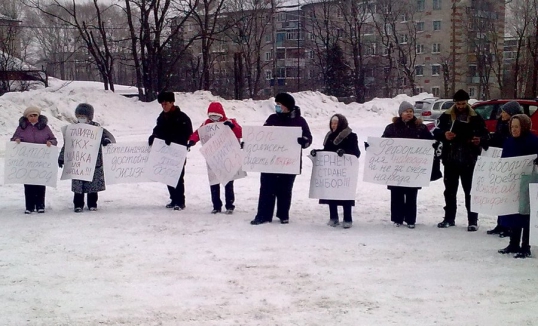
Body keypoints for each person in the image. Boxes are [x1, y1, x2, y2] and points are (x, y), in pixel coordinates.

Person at [250, 92, 313, 225]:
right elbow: (261, 136)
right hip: (270, 162)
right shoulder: (272, 118)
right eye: (276, 104)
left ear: (287, 106)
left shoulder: (299, 121)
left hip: (289, 162)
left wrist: (304, 141)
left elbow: (308, 138)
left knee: (285, 189)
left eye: (279, 104)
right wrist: (250, 144)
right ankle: (263, 215)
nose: (277, 107)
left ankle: (283, 214)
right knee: (267, 189)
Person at [433, 89, 489, 231]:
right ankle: (449, 218)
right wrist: (445, 134)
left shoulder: (476, 117)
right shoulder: (446, 116)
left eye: (463, 103)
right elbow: (436, 131)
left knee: (470, 191)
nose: (460, 106)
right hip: (450, 159)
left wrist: (479, 140)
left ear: (467, 102)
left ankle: (472, 220)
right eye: (458, 104)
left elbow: (485, 134)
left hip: (468, 159)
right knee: (450, 191)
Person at [382, 101, 434, 228]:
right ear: (400, 114)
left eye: (411, 111)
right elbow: (382, 143)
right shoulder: (391, 127)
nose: (409, 114)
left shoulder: (420, 127)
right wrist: (372, 147)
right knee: (396, 193)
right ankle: (397, 218)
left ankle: (411, 219)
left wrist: (433, 145)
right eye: (406, 111)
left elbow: (429, 142)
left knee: (411, 194)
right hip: (396, 167)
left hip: (413, 167)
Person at [58, 103, 115, 212]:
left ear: (90, 116)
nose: (81, 118)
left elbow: (106, 137)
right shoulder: (73, 129)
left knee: (93, 186)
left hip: (93, 162)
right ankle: (78, 204)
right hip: (78, 161)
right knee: (78, 186)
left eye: (84, 116)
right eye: (79, 115)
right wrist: (62, 157)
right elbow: (68, 144)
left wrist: (106, 140)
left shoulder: (97, 128)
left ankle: (92, 203)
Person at [188, 102, 242, 214]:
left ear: (221, 114)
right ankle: (216, 206)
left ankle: (230, 205)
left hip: (227, 157)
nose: (214, 118)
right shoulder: (206, 124)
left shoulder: (229, 122)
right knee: (214, 183)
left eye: (216, 116)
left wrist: (232, 127)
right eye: (212, 116)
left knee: (228, 183)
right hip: (213, 159)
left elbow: (240, 133)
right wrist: (192, 140)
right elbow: (198, 133)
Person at [497, 114, 538, 258]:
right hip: (512, 184)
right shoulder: (509, 142)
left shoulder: (533, 141)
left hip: (528, 183)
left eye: (517, 127)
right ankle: (513, 243)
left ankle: (525, 246)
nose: (514, 130)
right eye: (512, 127)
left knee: (525, 214)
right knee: (513, 212)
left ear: (524, 127)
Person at [310, 114, 360, 228]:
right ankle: (333, 217)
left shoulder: (351, 136)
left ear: (342, 123)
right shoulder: (330, 136)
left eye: (336, 123)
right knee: (331, 193)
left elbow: (356, 153)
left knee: (345, 195)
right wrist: (316, 152)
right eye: (332, 123)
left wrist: (344, 151)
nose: (333, 125)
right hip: (332, 172)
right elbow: (326, 151)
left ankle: (348, 218)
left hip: (345, 172)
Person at [148, 91, 193, 210]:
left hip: (178, 152)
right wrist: (154, 136)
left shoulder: (182, 117)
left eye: (166, 103)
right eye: (162, 104)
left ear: (172, 103)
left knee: (178, 177)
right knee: (168, 176)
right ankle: (173, 199)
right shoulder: (161, 117)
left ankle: (180, 201)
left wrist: (173, 139)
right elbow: (158, 129)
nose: (164, 106)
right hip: (165, 152)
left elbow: (188, 133)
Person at [11, 106, 58, 214]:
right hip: (27, 161)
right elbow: (13, 139)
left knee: (40, 183)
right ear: (27, 117)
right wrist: (16, 140)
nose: (33, 117)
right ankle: (29, 206)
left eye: (35, 115)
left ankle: (40, 205)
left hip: (41, 161)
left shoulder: (45, 127)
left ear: (38, 116)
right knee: (28, 184)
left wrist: (50, 142)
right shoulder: (21, 128)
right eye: (30, 116)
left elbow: (54, 139)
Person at [487, 101, 523, 237]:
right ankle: (500, 223)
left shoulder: (514, 127)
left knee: (510, 196)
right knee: (501, 195)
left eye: (504, 112)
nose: (501, 114)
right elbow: (496, 140)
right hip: (500, 163)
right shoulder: (500, 124)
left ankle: (509, 226)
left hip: (511, 164)